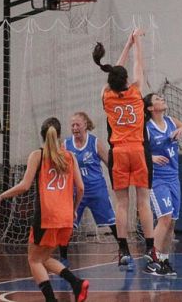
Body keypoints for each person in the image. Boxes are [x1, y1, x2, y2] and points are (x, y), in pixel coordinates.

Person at [0, 117, 89, 302]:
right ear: (59, 134)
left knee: (34, 260)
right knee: (44, 258)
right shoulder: (70, 156)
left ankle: (52, 299)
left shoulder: (38, 155)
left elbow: (24, 185)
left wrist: (0, 197)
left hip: (46, 216)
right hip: (65, 217)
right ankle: (77, 284)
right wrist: (74, 209)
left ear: (42, 135)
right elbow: (81, 188)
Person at [93, 28, 158, 272]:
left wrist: (126, 46)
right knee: (143, 201)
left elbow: (115, 73)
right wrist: (136, 42)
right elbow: (139, 64)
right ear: (127, 80)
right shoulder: (136, 91)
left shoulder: (106, 96)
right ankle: (150, 248)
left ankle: (123, 251)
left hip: (118, 152)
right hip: (137, 150)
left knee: (121, 203)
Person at [143, 92, 182, 276]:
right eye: (157, 99)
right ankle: (152, 260)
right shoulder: (147, 128)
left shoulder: (171, 121)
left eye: (161, 98)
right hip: (157, 179)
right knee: (165, 218)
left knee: (172, 222)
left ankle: (164, 260)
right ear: (150, 108)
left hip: (174, 177)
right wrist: (151, 158)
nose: (162, 99)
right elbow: (137, 153)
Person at [59, 111, 118, 267]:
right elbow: (61, 168)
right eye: (72, 125)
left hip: (96, 189)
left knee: (112, 222)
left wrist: (118, 181)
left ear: (85, 125)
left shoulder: (95, 142)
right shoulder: (66, 145)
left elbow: (110, 164)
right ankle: (63, 257)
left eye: (77, 124)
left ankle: (125, 252)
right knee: (67, 225)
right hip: (75, 191)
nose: (75, 128)